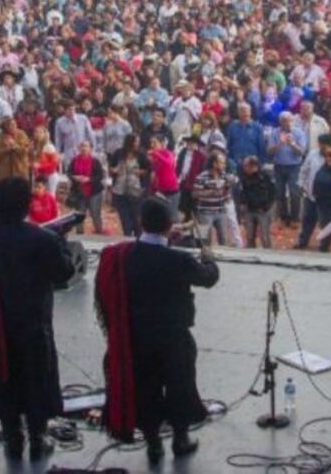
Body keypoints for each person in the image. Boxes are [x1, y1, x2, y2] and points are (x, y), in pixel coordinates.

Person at [0, 178, 76, 461]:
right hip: (32, 322)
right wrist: (62, 241)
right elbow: (64, 273)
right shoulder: (42, 238)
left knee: (4, 375)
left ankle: (12, 436)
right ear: (26, 205)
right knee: (35, 378)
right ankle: (38, 437)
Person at [95, 197, 219, 463]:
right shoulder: (179, 260)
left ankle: (153, 443)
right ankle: (180, 439)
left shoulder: (125, 256)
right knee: (180, 385)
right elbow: (208, 278)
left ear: (141, 223)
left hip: (138, 335)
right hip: (174, 335)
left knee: (146, 388)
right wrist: (209, 258)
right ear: (169, 225)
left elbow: (151, 257)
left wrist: (165, 241)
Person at [66, 140, 106, 234]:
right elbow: (69, 172)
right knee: (79, 215)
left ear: (90, 149)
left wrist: (89, 179)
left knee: (95, 214)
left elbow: (100, 175)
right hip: (79, 192)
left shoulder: (95, 161)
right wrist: (74, 177)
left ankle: (99, 232)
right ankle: (80, 235)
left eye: (86, 146)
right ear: (79, 148)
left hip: (94, 192)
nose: (84, 148)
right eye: (82, 146)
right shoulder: (74, 160)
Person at [237, 156, 277, 248]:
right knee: (250, 236)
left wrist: (266, 207)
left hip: (262, 211)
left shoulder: (265, 177)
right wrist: (243, 204)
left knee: (265, 236)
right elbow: (242, 193)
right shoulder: (244, 178)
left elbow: (273, 194)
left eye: (247, 166)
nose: (245, 168)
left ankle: (269, 256)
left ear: (254, 166)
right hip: (249, 211)